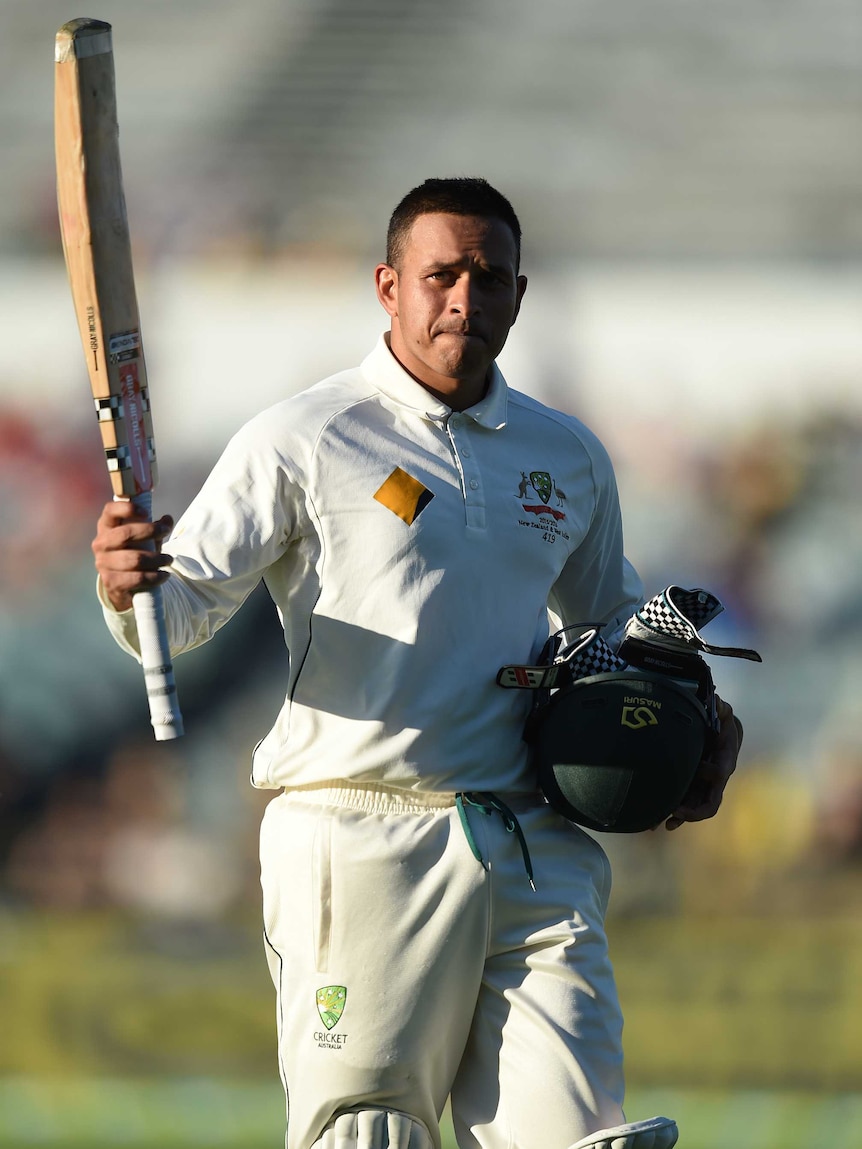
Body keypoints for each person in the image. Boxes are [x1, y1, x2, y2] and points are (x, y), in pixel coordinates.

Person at [92, 178, 741, 1149]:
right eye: (441, 275)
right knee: (370, 1134)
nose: (464, 301)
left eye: (489, 280)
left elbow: (612, 619)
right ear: (388, 286)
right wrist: (124, 584)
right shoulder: (302, 437)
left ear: (519, 296)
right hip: (359, 832)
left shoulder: (565, 454)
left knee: (578, 1137)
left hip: (529, 831)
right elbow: (180, 611)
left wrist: (699, 700)